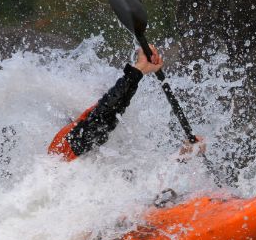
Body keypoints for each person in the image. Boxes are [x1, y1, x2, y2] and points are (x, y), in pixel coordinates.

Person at [48, 45, 204, 162]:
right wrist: (138, 70)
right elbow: (103, 115)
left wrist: (182, 155)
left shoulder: (96, 155)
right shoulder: (61, 148)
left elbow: (145, 184)